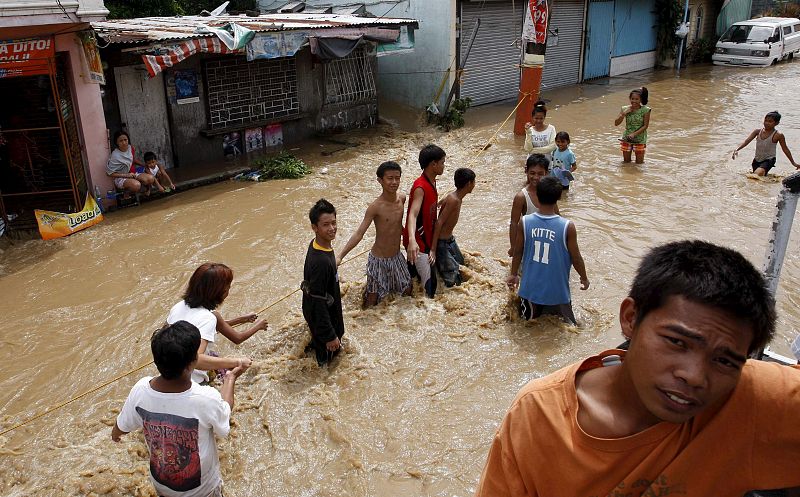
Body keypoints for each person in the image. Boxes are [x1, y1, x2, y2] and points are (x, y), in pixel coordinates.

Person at [477, 240, 800, 496]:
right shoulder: (539, 416)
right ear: (630, 319)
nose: (695, 376)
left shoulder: (749, 400)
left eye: (725, 360)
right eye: (677, 342)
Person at [112, 321, 248, 497]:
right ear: (193, 363)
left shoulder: (140, 390)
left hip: (162, 486)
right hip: (203, 490)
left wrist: (116, 435)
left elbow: (121, 428)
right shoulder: (205, 398)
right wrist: (230, 379)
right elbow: (225, 416)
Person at [507, 176, 589, 324]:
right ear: (559, 197)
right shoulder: (567, 226)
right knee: (569, 329)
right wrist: (584, 277)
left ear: (537, 195)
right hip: (558, 293)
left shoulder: (525, 222)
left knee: (525, 327)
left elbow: (517, 252)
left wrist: (513, 274)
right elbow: (576, 258)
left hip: (529, 292)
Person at [167, 263, 267, 384]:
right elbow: (196, 359)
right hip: (193, 381)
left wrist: (241, 319)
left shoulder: (178, 307)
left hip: (170, 374)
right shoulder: (209, 318)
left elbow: (206, 327)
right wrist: (258, 326)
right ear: (219, 292)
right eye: (228, 287)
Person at [336, 161, 412, 307]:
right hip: (378, 260)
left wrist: (412, 241)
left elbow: (397, 225)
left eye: (397, 178)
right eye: (390, 178)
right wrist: (340, 256)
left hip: (396, 256)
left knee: (407, 288)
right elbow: (359, 234)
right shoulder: (375, 207)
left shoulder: (402, 199)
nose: (394, 182)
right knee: (373, 298)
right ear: (380, 180)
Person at [302, 199, 345, 366]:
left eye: (334, 223)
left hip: (320, 312)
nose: (332, 228)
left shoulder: (319, 245)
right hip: (324, 316)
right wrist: (330, 335)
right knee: (327, 364)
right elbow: (318, 301)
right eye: (326, 225)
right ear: (315, 227)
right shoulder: (321, 262)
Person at [404, 144, 446, 298]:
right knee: (429, 289)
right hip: (420, 244)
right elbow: (413, 215)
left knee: (414, 278)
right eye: (442, 162)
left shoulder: (432, 182)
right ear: (433, 164)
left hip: (426, 240)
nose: (443, 166)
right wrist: (412, 240)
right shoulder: (420, 187)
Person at [431, 167, 475, 287]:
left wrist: (441, 202)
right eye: (474, 182)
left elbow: (443, 202)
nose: (474, 185)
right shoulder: (454, 200)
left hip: (450, 240)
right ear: (469, 183)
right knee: (453, 279)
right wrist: (433, 249)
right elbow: (439, 222)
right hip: (442, 243)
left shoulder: (455, 197)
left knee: (462, 266)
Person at [507, 154, 558, 257]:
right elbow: (513, 223)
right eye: (532, 173)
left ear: (547, 173)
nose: (536, 177)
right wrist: (513, 247)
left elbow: (557, 218)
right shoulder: (521, 197)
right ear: (526, 171)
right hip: (528, 242)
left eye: (540, 174)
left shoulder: (549, 193)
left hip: (546, 241)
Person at [732, 110, 799, 176]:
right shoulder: (757, 131)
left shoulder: (778, 135)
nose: (766, 123)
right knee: (758, 178)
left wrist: (793, 163)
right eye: (765, 120)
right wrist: (737, 149)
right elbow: (747, 141)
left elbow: (785, 149)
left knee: (756, 175)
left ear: (777, 123)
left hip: (769, 160)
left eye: (770, 121)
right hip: (756, 160)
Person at [106, 130, 155, 195]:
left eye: (125, 140)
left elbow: (133, 160)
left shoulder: (130, 148)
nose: (124, 142)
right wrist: (126, 175)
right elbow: (109, 173)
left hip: (132, 174)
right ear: (117, 143)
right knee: (136, 185)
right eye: (121, 141)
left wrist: (144, 165)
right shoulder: (115, 155)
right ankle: (125, 193)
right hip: (121, 178)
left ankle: (143, 189)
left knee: (151, 178)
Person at [614, 87, 651, 164]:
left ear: (640, 100)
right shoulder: (624, 108)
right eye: (632, 99)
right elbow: (616, 123)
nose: (634, 101)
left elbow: (645, 126)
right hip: (627, 138)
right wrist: (624, 114)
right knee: (626, 163)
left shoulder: (646, 110)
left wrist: (634, 134)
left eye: (636, 99)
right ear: (630, 99)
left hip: (640, 139)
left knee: (639, 164)